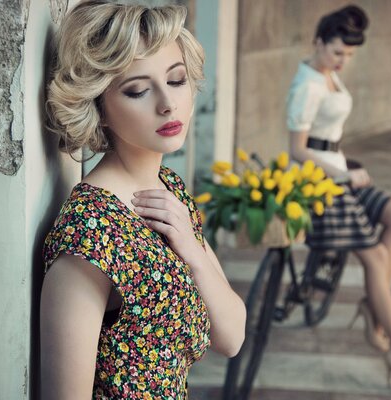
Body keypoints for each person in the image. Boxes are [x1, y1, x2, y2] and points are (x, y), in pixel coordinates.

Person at [40, 2, 246, 399]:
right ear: (97, 106)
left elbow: (232, 336)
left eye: (177, 80)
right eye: (137, 90)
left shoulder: (168, 190)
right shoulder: (89, 234)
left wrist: (192, 248)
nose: (167, 104)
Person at [286, 4, 391, 398]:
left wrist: (345, 167)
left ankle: (373, 306)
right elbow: (297, 151)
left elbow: (328, 134)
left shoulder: (327, 74)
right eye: (337, 52)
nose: (343, 61)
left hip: (339, 170)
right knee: (376, 258)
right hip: (318, 182)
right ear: (318, 42)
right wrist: (341, 174)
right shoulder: (307, 85)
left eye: (349, 55)